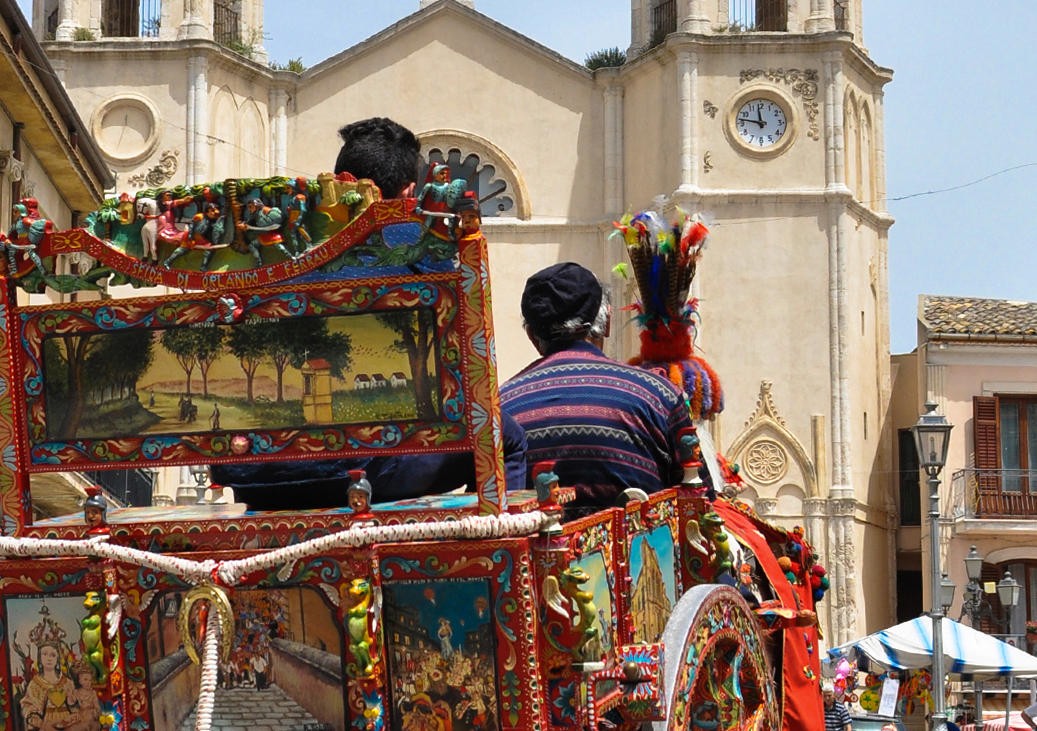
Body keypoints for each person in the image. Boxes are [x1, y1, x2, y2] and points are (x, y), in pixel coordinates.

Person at [211, 117, 527, 509]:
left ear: (338, 181)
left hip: (254, 476)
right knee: (508, 438)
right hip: (374, 470)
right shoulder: (421, 244)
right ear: (409, 191)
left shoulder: (274, 247)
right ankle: (493, 534)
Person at [499, 262, 695, 518]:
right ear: (607, 322)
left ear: (531, 336)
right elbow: (699, 503)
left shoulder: (499, 408)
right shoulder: (659, 395)